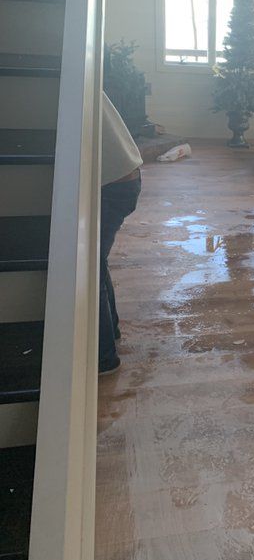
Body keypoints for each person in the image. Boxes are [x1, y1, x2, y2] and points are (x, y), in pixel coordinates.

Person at [99, 92, 143, 374]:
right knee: (94, 261)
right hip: (123, 178)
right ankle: (109, 333)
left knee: (87, 268)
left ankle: (102, 358)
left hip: (112, 186)